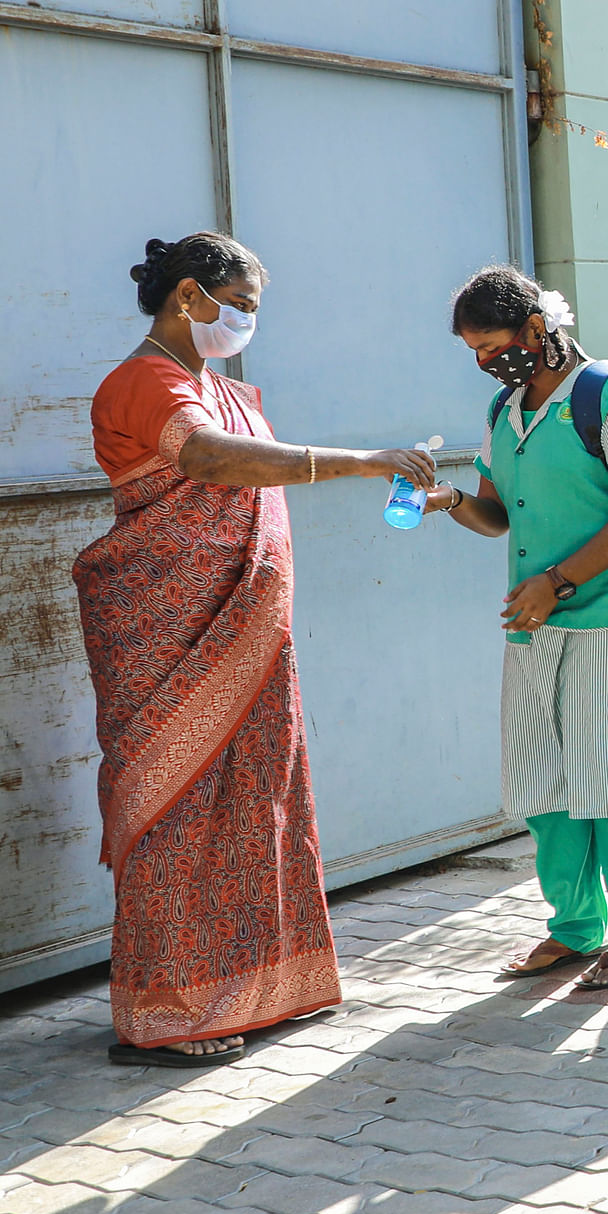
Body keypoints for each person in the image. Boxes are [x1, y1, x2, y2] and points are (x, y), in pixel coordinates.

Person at [76, 233, 434, 1065]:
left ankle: (265, 986)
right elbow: (204, 457)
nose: (244, 321)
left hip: (248, 636)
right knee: (176, 811)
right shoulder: (144, 381)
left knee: (259, 804)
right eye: (239, 305)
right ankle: (164, 1013)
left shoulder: (220, 386)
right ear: (189, 296)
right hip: (169, 638)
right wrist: (359, 461)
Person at [426, 266, 608, 990]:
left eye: (491, 345)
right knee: (546, 789)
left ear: (535, 329)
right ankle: (574, 927)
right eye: (473, 352)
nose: (485, 362)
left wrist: (557, 582)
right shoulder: (505, 411)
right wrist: (452, 497)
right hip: (537, 624)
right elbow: (498, 518)